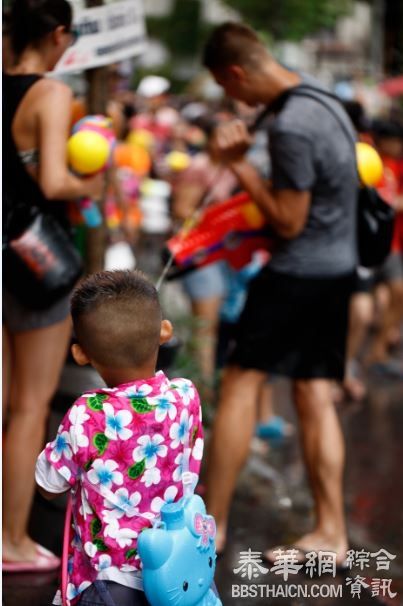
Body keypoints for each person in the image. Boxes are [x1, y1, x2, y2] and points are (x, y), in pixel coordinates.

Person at [202, 23, 358, 564]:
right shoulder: (321, 94)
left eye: (228, 90)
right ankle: (332, 534)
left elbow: (289, 221)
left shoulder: (292, 123)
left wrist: (239, 164)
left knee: (242, 382)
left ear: (235, 74)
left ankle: (210, 526)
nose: (233, 102)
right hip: (337, 269)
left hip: (298, 272)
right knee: (315, 396)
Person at [2, 0, 104, 571]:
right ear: (60, 33)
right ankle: (11, 541)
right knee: (27, 409)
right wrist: (96, 174)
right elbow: (54, 180)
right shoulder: (53, 93)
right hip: (37, 264)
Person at [35, 270, 204, 605]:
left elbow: (48, 484)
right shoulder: (186, 396)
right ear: (165, 332)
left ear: (80, 354)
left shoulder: (87, 413)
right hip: (180, 570)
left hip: (108, 582)